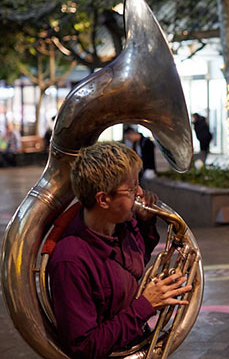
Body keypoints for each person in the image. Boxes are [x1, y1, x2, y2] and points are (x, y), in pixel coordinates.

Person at [47, 141, 191, 359]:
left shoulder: (122, 226)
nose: (140, 192)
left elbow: (134, 263)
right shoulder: (71, 261)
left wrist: (145, 224)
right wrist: (145, 305)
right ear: (104, 199)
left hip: (135, 340)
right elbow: (85, 348)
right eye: (132, 188)